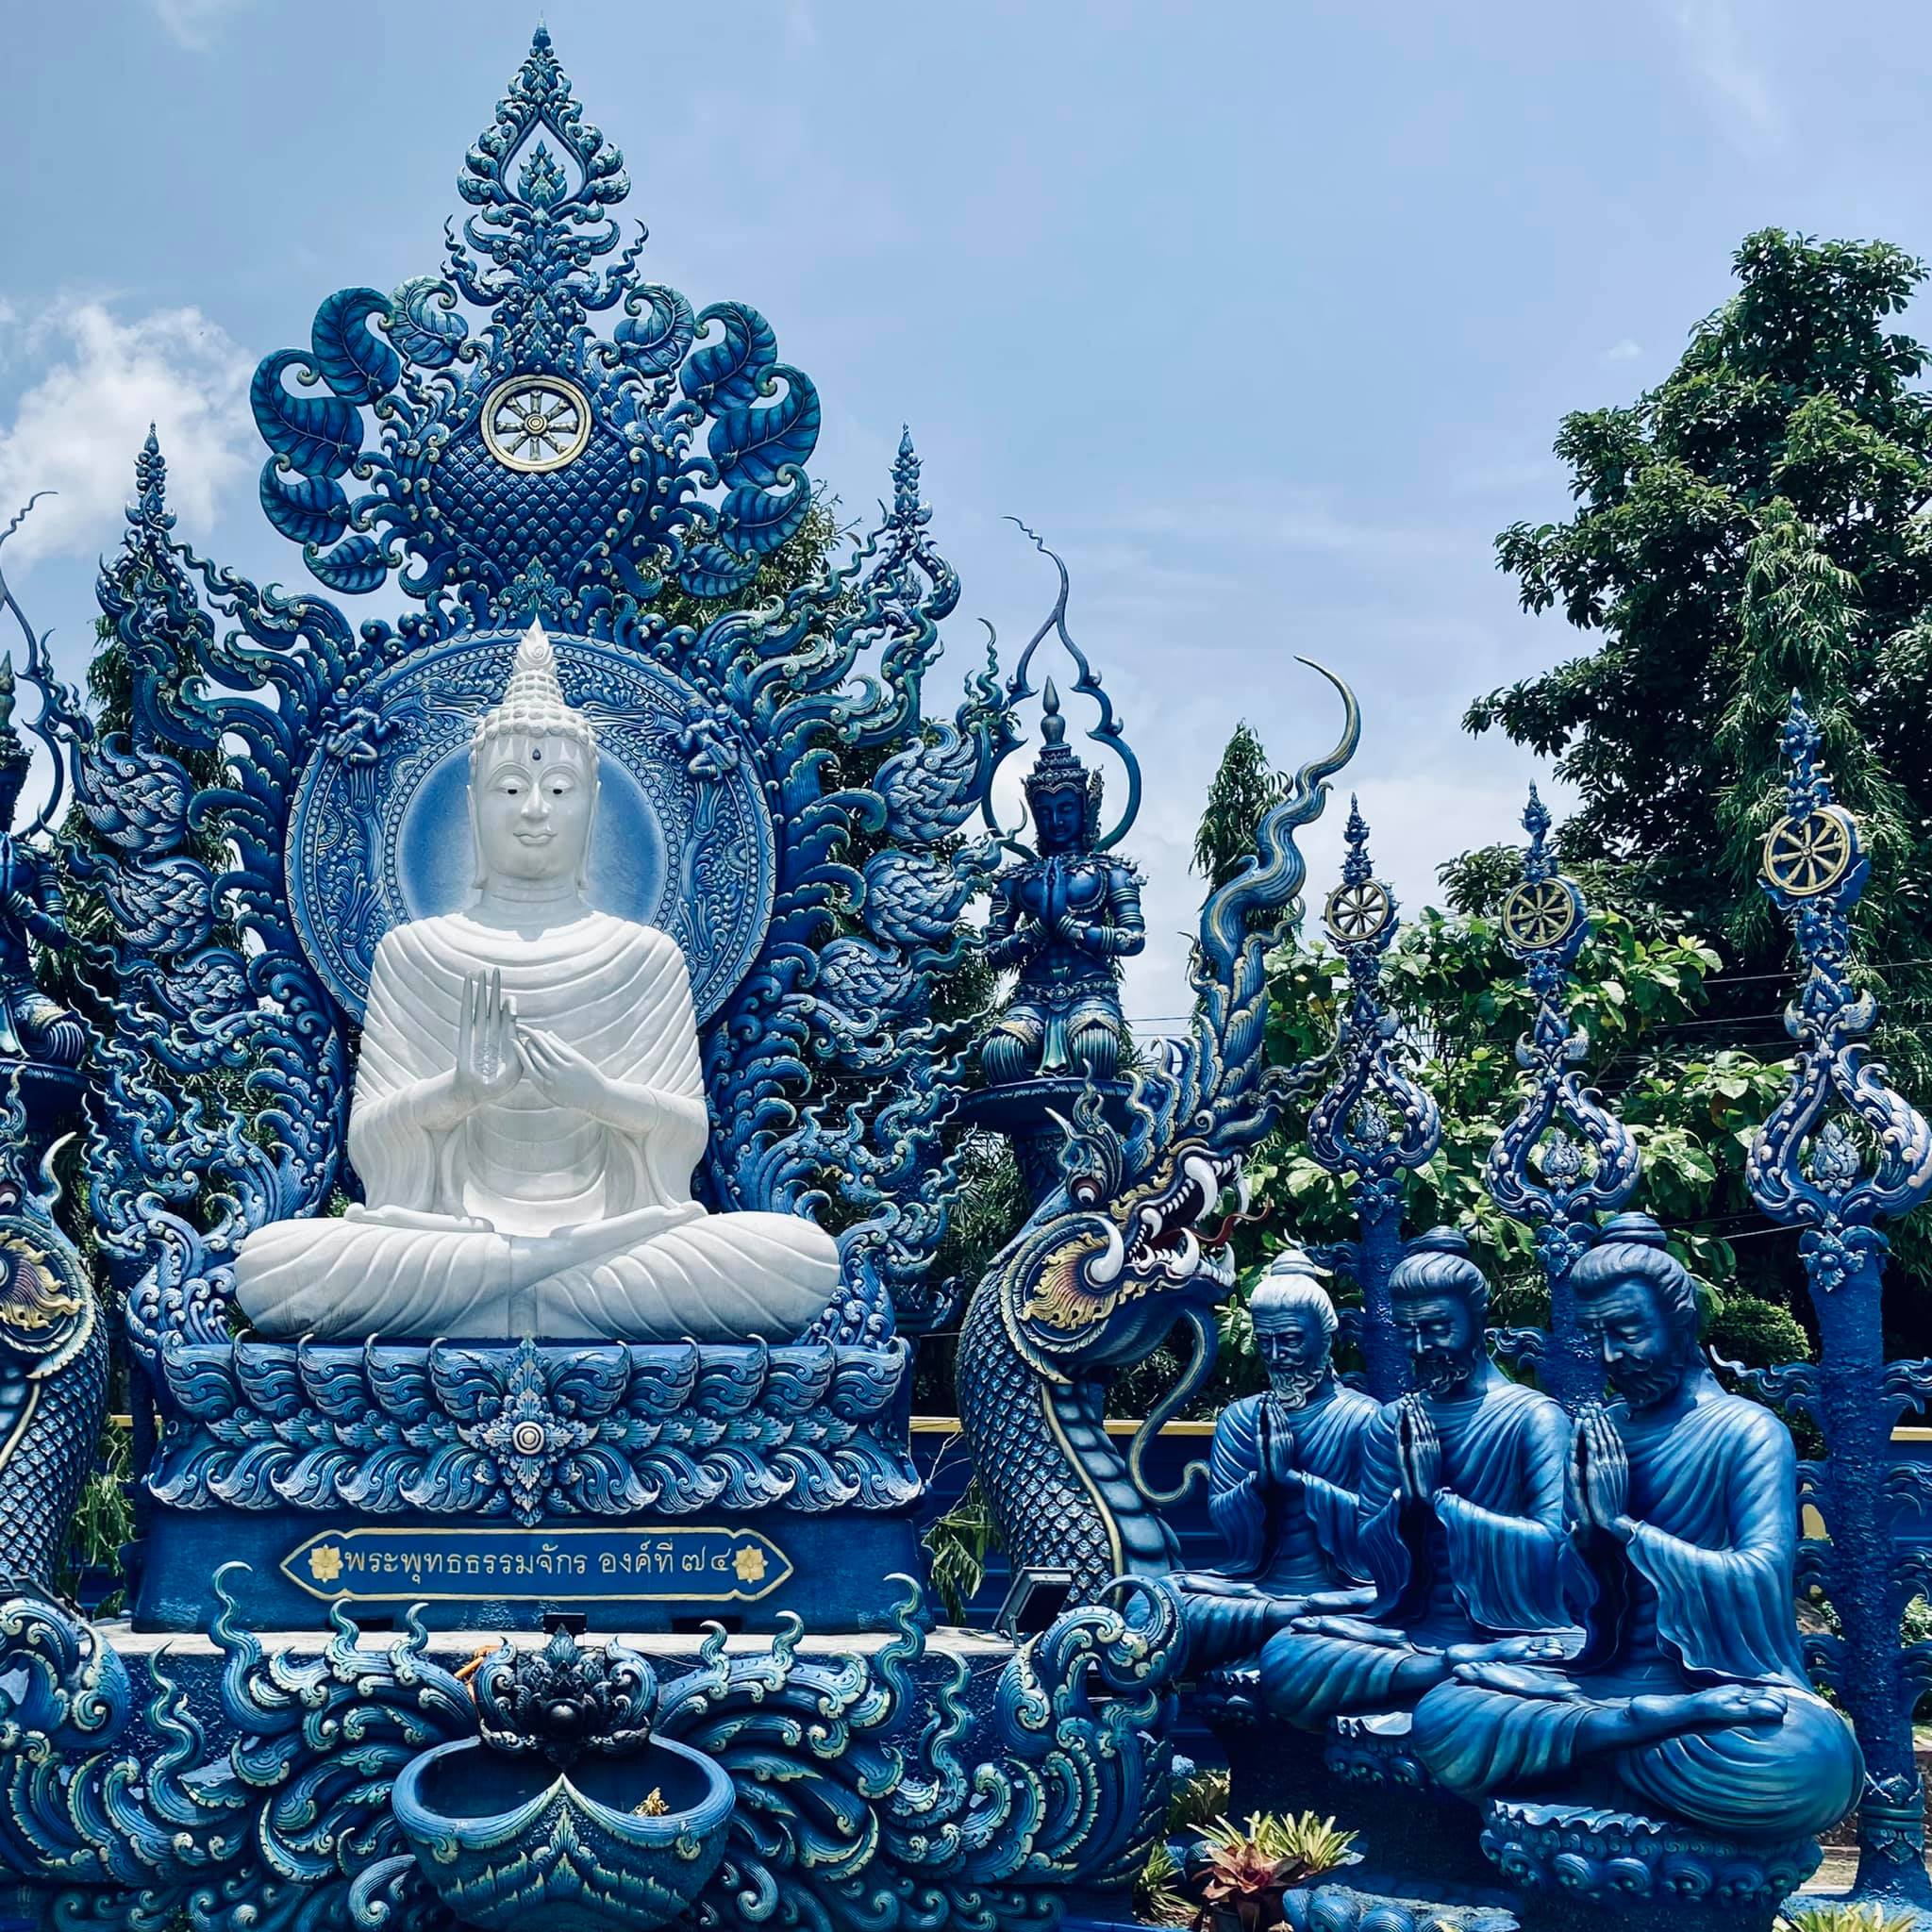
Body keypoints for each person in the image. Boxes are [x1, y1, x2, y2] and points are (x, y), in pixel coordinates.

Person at [234, 625, 842, 1342]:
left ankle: (509, 1293)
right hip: (454, 1243)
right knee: (272, 1265)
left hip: (609, 1242)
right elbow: (372, 1147)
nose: (534, 811)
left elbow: (684, 1136)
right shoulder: (415, 952)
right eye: (511, 787)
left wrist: (604, 1098)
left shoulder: (643, 957)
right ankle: (538, 1288)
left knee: (797, 1258)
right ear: (473, 807)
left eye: (559, 788)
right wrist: (454, 1095)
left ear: (591, 809)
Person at [1409, 1214, 1861, 1840]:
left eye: (1626, 1333)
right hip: (1611, 1678)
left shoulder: (1748, 1431)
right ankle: (1630, 1729)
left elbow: (1758, 1574)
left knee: (1814, 1763)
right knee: (1441, 1712)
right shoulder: (1605, 1432)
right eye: (1596, 1339)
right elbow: (1570, 1602)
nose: (1610, 1358)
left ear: (1681, 1326)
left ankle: (1598, 1742)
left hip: (1719, 1688)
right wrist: (1589, 1538)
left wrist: (1626, 1528)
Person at [1257, 1228, 1574, 1731]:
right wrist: (1407, 1507)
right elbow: (1366, 1555)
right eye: (1408, 1333)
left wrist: (1442, 1505)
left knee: (1486, 1706)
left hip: (1506, 1626)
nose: (1422, 1346)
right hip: (1410, 1629)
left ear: (1478, 1320)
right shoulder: (1393, 1422)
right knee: (1286, 1655)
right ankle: (1447, 1668)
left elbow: (1555, 1550)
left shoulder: (1533, 1418)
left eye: (1438, 1328)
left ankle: (1464, 1671)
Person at [1168, 1249, 1379, 1671]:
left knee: (1381, 1607)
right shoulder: (1241, 1419)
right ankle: (1289, 1619)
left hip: (1342, 1590)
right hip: (1258, 1588)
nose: (1278, 1355)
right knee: (1157, 1602)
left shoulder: (1365, 1418)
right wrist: (1259, 1485)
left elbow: (1379, 1528)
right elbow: (1223, 1520)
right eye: (1266, 1341)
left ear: (1326, 1336)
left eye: (1291, 1339)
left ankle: (1296, 1622)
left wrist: (1296, 1482)